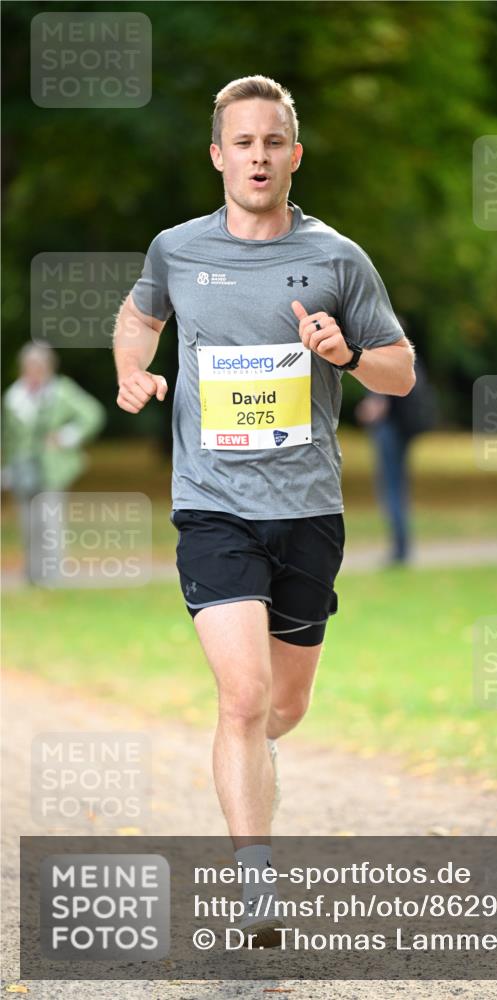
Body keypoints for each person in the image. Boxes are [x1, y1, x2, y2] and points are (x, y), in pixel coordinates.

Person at [112, 75, 415, 946]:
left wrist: (348, 353)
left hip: (308, 509)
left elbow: (400, 371)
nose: (256, 155)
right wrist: (134, 370)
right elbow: (139, 318)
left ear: (293, 154)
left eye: (271, 141)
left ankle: (258, 755)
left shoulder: (338, 258)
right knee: (241, 699)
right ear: (217, 154)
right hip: (212, 504)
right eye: (241, 142)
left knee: (284, 708)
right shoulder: (176, 248)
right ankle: (257, 887)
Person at [2, 342, 105, 583]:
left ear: (48, 367)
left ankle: (53, 576)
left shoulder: (61, 391)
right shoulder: (13, 396)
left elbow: (92, 414)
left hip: (51, 470)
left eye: (38, 365)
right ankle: (32, 575)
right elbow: (8, 437)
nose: (33, 370)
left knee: (50, 524)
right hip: (21, 469)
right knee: (27, 524)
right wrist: (6, 467)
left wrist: (67, 436)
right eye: (29, 365)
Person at [355, 351, 438, 565]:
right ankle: (402, 546)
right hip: (404, 430)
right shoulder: (406, 360)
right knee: (399, 487)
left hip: (389, 431)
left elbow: (378, 406)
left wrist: (363, 412)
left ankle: (399, 549)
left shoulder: (381, 361)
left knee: (391, 488)